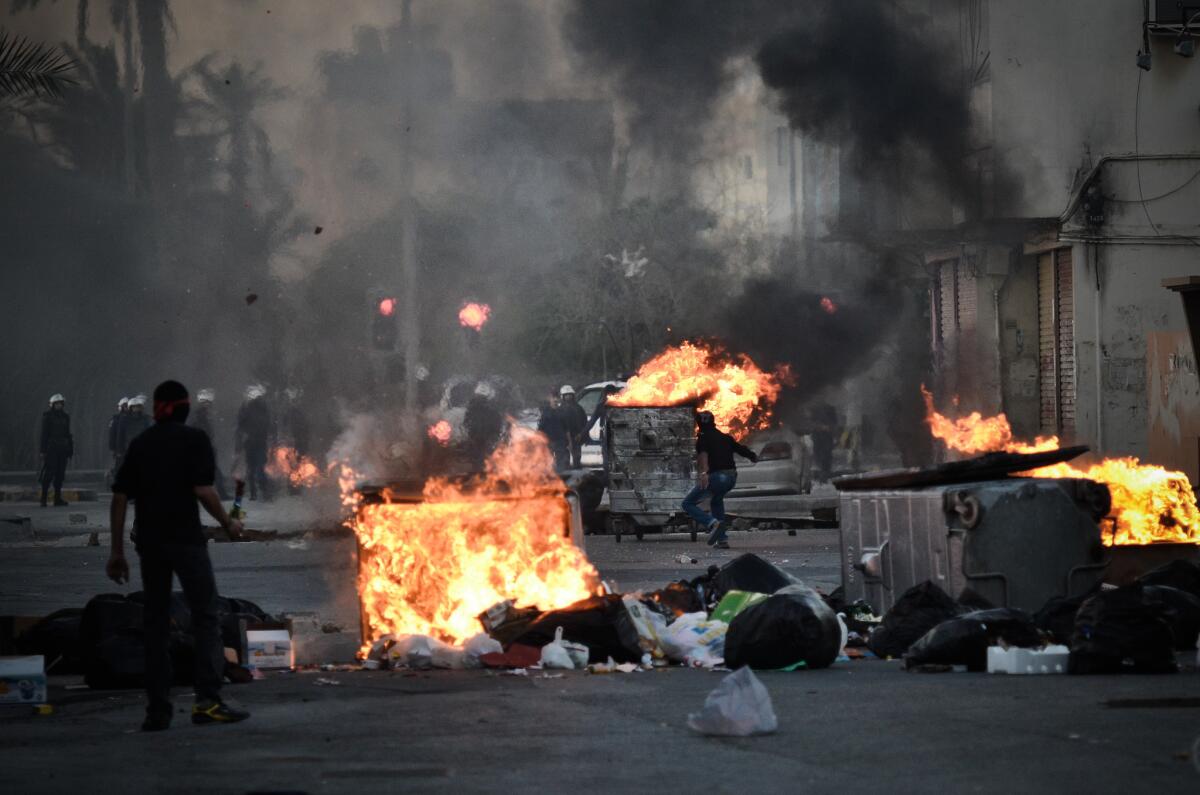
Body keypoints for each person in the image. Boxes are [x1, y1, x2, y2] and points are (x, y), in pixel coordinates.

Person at [106, 380, 249, 731]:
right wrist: (228, 523)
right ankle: (208, 702)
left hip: (150, 544)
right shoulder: (194, 440)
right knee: (205, 617)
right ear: (184, 407)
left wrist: (116, 552)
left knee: (155, 623)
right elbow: (203, 490)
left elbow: (120, 497)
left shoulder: (141, 444)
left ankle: (157, 710)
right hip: (186, 541)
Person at [681, 410, 757, 549]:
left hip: (717, 477)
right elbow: (741, 449)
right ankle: (722, 540)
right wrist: (753, 456)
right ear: (713, 421)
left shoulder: (703, 437)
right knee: (716, 501)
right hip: (731, 478)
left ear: (698, 424)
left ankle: (712, 523)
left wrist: (704, 473)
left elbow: (703, 454)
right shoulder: (725, 437)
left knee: (687, 503)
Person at [235, 385, 272, 501]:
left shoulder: (246, 408)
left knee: (251, 468)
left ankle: (253, 493)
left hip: (251, 443)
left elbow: (240, 426)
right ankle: (264, 491)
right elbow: (268, 425)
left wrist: (240, 445)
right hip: (259, 442)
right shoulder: (263, 408)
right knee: (260, 467)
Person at [190, 389, 228, 499]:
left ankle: (221, 492)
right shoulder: (199, 415)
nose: (208, 405)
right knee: (212, 470)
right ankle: (221, 493)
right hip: (202, 446)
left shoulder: (205, 414)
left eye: (208, 403)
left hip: (206, 445)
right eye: (206, 402)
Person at [39, 394, 73, 507]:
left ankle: (57, 499)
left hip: (62, 449)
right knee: (49, 473)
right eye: (56, 403)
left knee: (60, 475)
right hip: (51, 449)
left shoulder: (65, 416)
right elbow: (44, 435)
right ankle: (43, 499)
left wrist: (70, 449)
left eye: (60, 403)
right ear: (52, 404)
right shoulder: (47, 416)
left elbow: (68, 434)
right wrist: (43, 450)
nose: (59, 405)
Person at [463, 382, 504, 471]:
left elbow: (466, 424)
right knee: (480, 463)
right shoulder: (473, 409)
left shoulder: (472, 409)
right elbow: (467, 423)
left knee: (480, 463)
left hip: (482, 440)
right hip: (479, 440)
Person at [584, 384, 621, 471]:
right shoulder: (601, 406)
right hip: (606, 436)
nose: (609, 397)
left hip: (618, 436)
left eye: (611, 394)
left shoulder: (621, 404)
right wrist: (582, 434)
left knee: (618, 460)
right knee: (606, 461)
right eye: (608, 395)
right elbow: (592, 421)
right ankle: (607, 479)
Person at [537, 392, 569, 471]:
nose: (555, 401)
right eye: (553, 400)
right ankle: (551, 477)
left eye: (556, 400)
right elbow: (541, 427)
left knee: (561, 461)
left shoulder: (562, 412)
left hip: (560, 441)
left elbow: (566, 428)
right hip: (549, 441)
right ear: (550, 401)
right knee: (549, 461)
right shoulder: (546, 413)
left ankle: (561, 477)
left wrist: (568, 440)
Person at [558, 385, 587, 469]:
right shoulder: (559, 409)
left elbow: (584, 422)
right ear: (562, 396)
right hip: (564, 439)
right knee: (564, 461)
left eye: (570, 394)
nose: (568, 397)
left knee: (577, 460)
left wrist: (582, 435)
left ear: (573, 395)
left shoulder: (578, 408)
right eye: (566, 395)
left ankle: (577, 476)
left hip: (576, 437)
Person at [118, 394, 152, 461]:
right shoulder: (124, 419)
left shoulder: (146, 419)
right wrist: (119, 450)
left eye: (138, 407)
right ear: (130, 408)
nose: (136, 408)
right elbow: (120, 435)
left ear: (141, 407)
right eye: (134, 407)